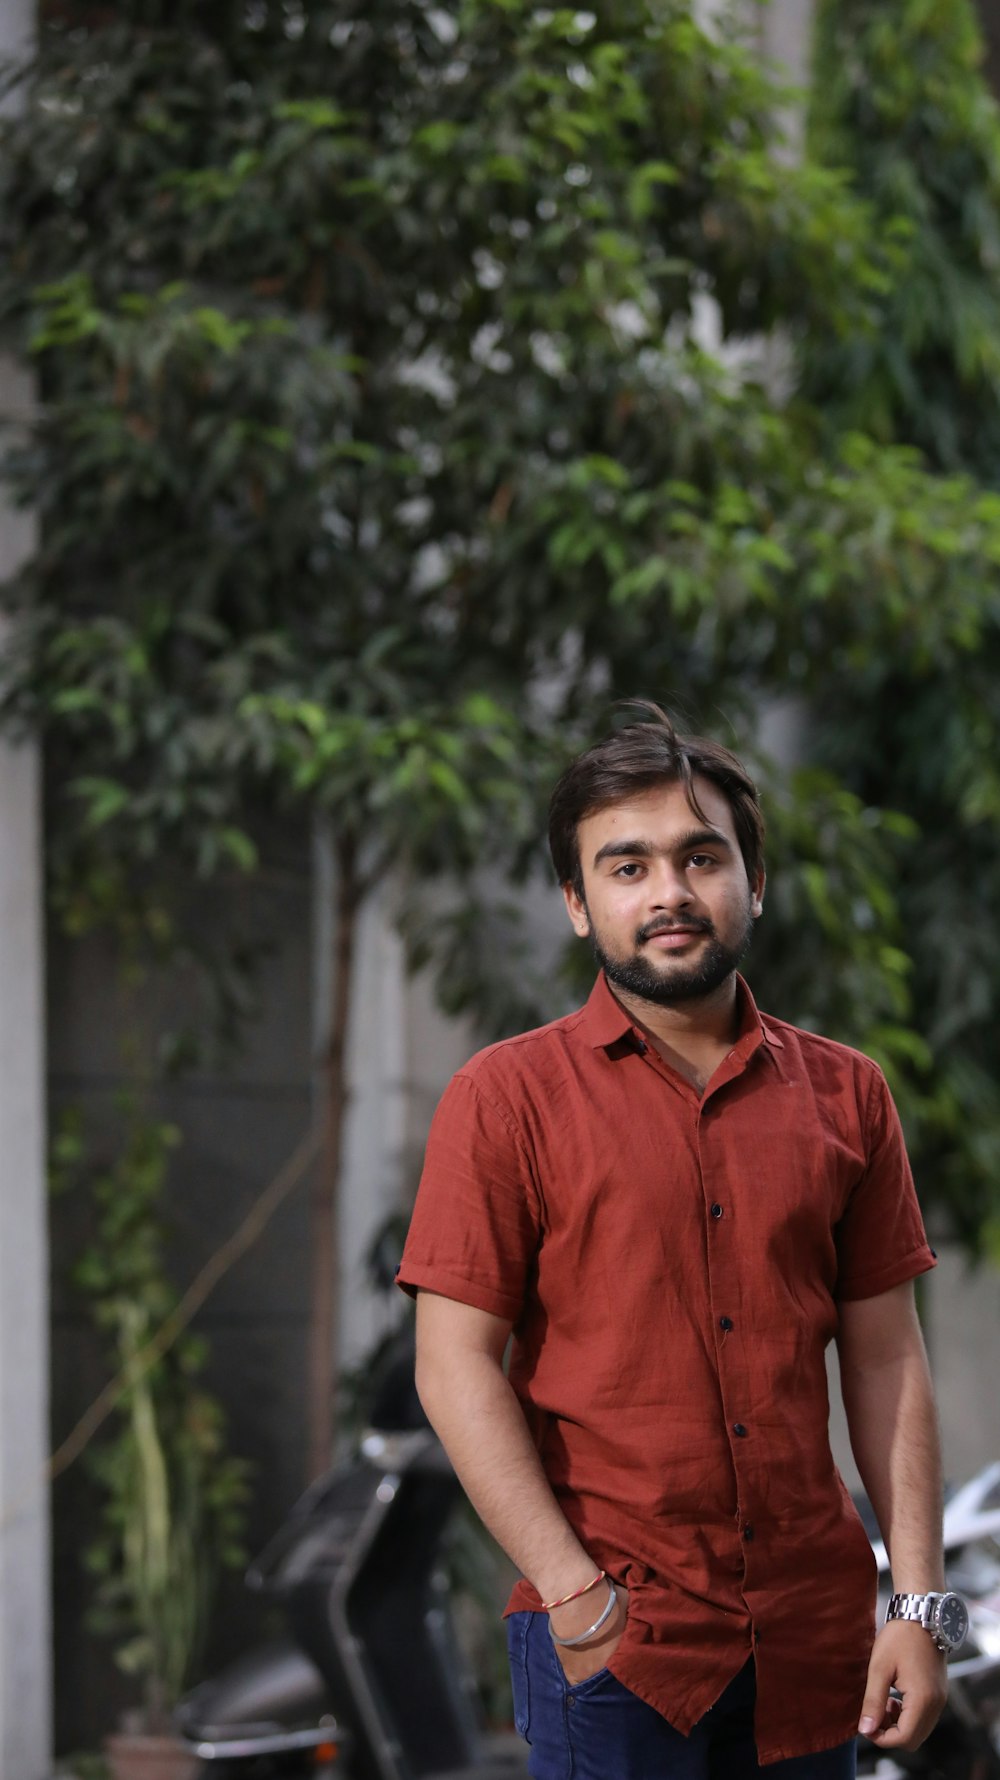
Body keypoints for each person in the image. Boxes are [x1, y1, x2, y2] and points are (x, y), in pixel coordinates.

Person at [396, 704, 955, 1779]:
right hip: (615, 1645)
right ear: (575, 901)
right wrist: (573, 1593)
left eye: (701, 857)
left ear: (755, 881)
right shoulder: (504, 1099)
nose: (668, 893)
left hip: (811, 1635)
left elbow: (886, 1355)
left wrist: (917, 1603)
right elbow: (452, 1363)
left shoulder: (848, 1094)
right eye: (627, 866)